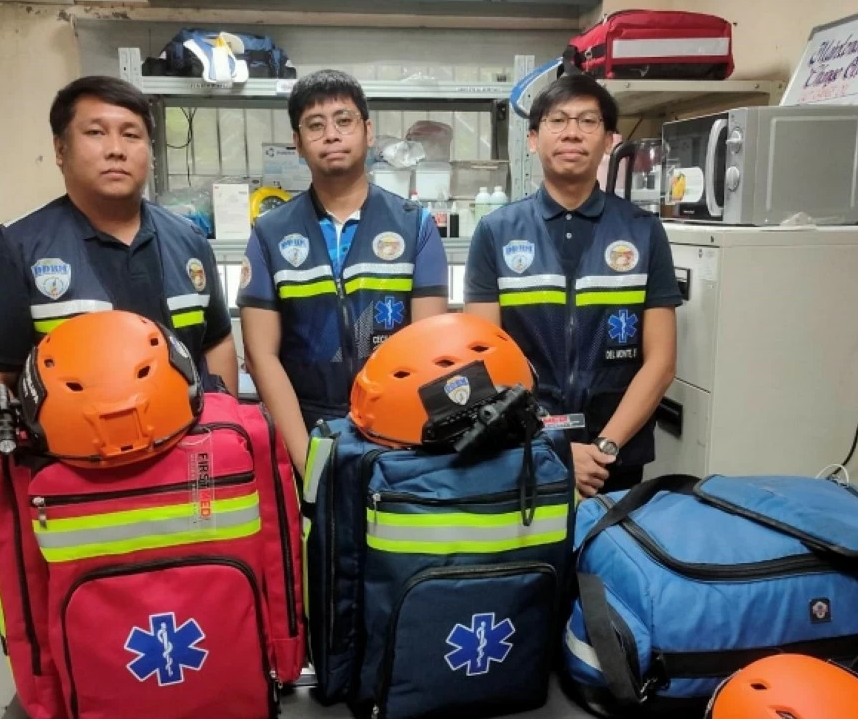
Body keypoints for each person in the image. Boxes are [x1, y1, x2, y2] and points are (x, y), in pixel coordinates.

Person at [0, 75, 238, 482]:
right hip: (74, 486)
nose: (116, 150)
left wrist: (218, 438)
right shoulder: (16, 251)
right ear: (60, 149)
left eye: (131, 135)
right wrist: (10, 498)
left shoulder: (188, 241)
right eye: (96, 132)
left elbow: (217, 341)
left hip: (186, 471)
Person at [463, 74, 681, 497]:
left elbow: (662, 363)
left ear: (609, 139)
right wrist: (554, 447)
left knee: (606, 561)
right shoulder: (496, 231)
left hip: (615, 457)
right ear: (533, 139)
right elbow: (484, 362)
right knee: (534, 563)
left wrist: (604, 447)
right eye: (557, 120)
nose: (572, 133)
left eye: (587, 121)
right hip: (524, 449)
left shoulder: (643, 231)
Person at [238, 69, 448, 474]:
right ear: (297, 143)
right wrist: (306, 461)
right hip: (305, 427)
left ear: (368, 131)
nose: (331, 135)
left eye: (344, 121)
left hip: (397, 433)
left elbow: (429, 348)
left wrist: (405, 442)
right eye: (315, 126)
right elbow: (260, 354)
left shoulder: (415, 225)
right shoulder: (270, 232)